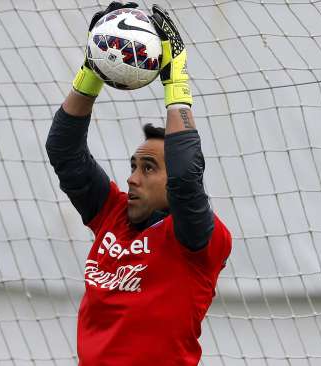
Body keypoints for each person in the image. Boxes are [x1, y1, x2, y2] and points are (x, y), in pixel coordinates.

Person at [45, 2, 232, 365]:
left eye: (148, 168)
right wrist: (93, 67)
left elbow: (185, 178)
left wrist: (175, 78)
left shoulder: (197, 239)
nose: (132, 177)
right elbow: (64, 150)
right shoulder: (112, 214)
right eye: (133, 166)